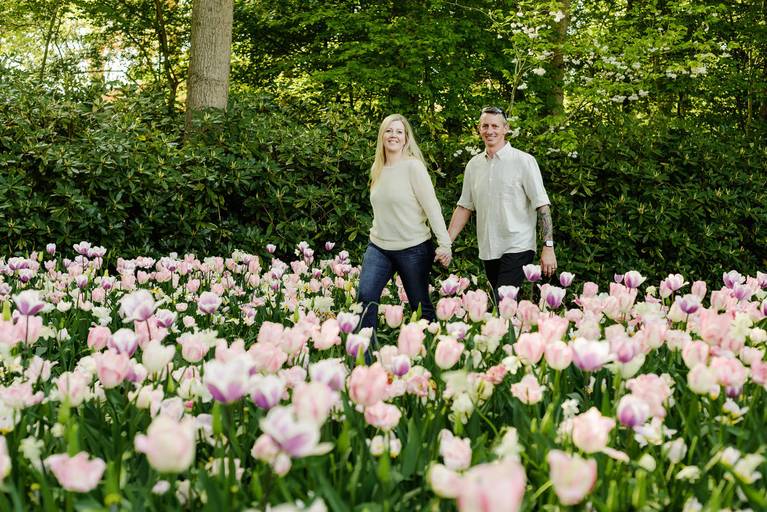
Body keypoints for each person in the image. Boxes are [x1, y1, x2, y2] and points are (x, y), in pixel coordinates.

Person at [357, 114, 451, 353]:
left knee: (420, 306)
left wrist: (445, 244)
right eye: (389, 131)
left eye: (399, 132)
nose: (393, 136)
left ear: (406, 138)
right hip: (379, 247)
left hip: (413, 247)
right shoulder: (377, 169)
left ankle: (432, 357)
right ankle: (364, 363)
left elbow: (432, 207)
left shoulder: (413, 167)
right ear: (382, 136)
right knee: (366, 298)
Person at [447, 106, 557, 303]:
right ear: (479, 129)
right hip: (489, 249)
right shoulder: (474, 166)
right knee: (505, 307)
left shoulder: (524, 161)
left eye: (495, 126)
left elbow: (542, 206)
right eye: (485, 126)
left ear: (506, 128)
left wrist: (548, 246)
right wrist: (446, 243)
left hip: (518, 245)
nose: (490, 131)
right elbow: (465, 206)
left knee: (501, 303)